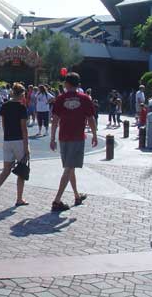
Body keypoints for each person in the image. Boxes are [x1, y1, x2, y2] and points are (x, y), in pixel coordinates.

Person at [50, 72, 97, 212]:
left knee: (70, 167)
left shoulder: (60, 98)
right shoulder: (85, 98)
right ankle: (57, 200)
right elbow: (91, 118)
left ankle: (76, 195)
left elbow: (55, 120)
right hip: (77, 137)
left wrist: (52, 138)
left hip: (63, 136)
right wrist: (94, 134)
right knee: (69, 168)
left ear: (67, 83)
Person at [0, 83, 30, 208]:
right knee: (21, 171)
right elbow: (24, 129)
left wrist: (7, 136)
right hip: (19, 141)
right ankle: (19, 198)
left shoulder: (5, 106)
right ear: (21, 94)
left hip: (7, 140)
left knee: (6, 170)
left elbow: (4, 125)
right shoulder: (21, 107)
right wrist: (26, 146)